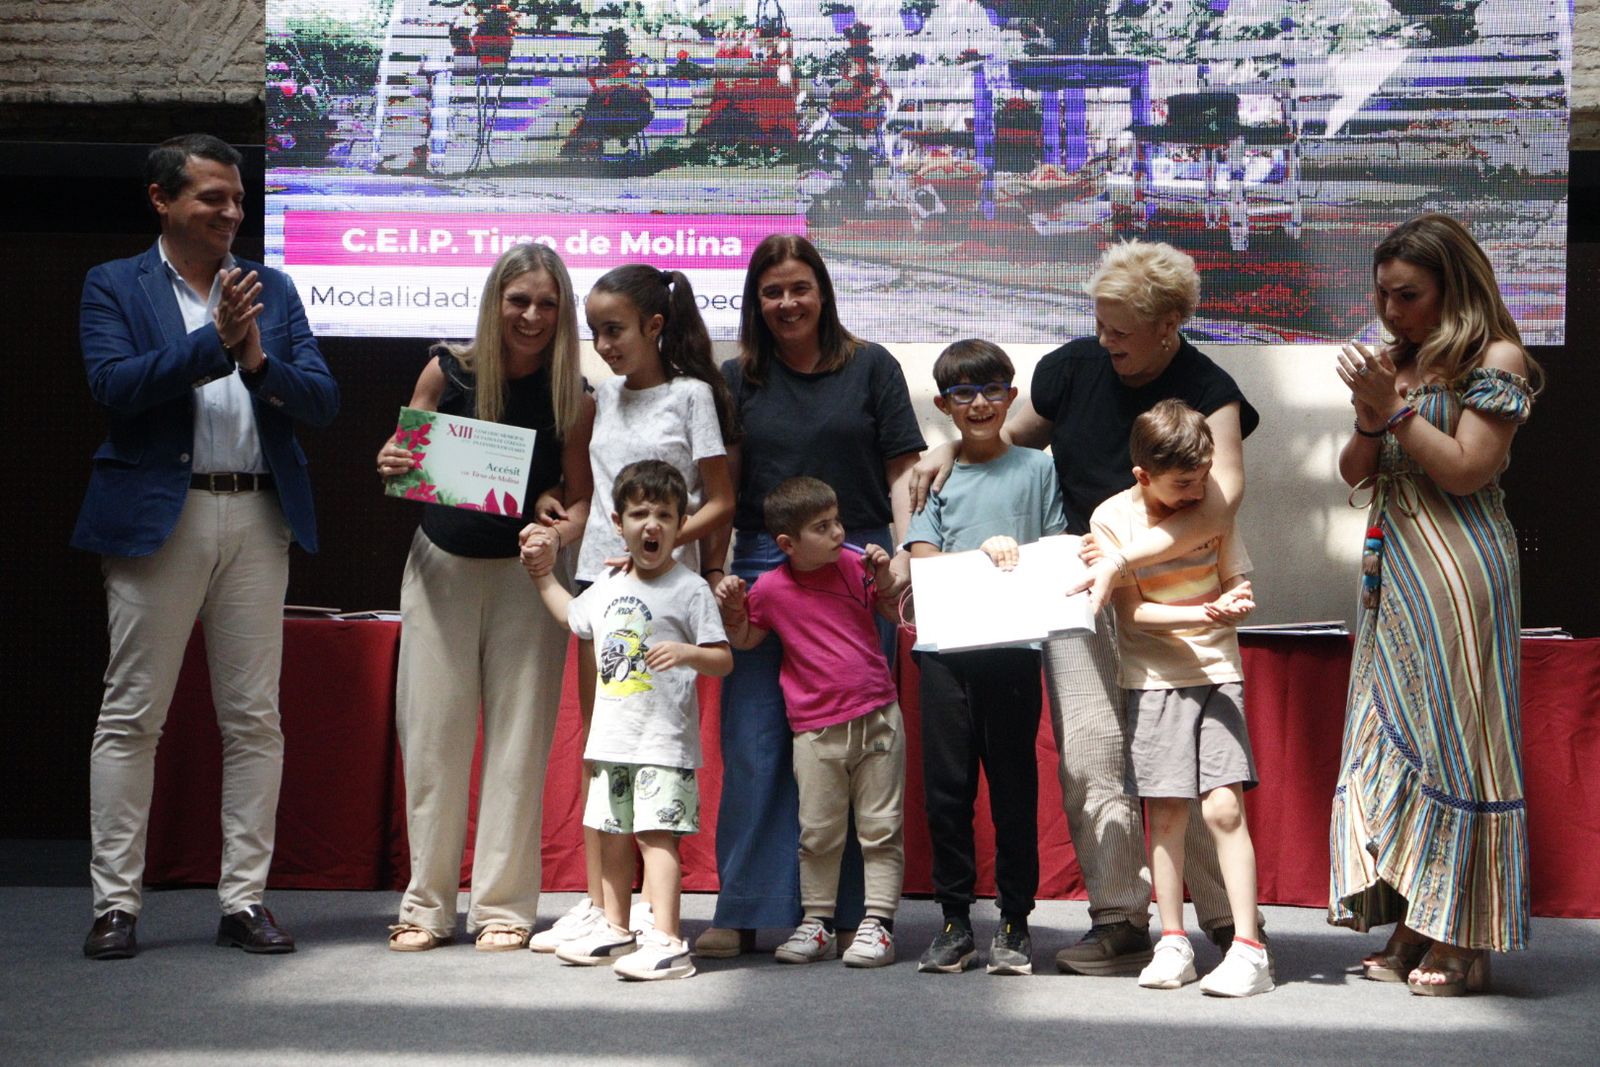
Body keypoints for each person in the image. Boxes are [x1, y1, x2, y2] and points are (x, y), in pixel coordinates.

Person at [910, 240, 1262, 976]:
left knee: (1184, 760)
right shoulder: (1071, 367)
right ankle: (1119, 917)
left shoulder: (1212, 387)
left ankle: (1227, 919)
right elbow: (999, 437)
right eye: (1099, 325)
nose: (1105, 342)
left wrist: (1130, 558)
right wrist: (948, 445)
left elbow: (1221, 504)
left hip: (1172, 590)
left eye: (1120, 331)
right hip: (1075, 580)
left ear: (1169, 322)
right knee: (1092, 752)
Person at [76, 133, 339, 960]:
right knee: (132, 716)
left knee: (254, 719)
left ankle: (243, 901)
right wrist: (211, 345)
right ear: (163, 200)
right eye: (211, 198)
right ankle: (116, 904)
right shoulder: (113, 283)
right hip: (161, 518)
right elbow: (113, 386)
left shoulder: (274, 287)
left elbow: (323, 400)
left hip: (259, 518)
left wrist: (257, 359)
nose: (232, 212)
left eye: (237, 198)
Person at [696, 234, 925, 957]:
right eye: (772, 291)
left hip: (857, 566)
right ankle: (744, 907)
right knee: (758, 741)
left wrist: (906, 555)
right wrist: (714, 570)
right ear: (755, 302)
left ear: (822, 290)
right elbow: (722, 487)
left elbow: (902, 469)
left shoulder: (873, 367)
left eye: (799, 287)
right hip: (767, 568)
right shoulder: (736, 378)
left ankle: (858, 913)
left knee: (858, 747)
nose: (787, 302)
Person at [1330, 213, 1540, 997]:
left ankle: (1466, 933)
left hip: (1462, 572)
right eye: (1382, 294)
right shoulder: (1396, 364)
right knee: (1395, 731)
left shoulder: (1497, 358)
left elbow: (1466, 470)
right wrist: (1368, 411)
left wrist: (1394, 409)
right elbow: (1354, 472)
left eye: (1407, 294)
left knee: (1460, 739)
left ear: (1452, 287)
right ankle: (1417, 914)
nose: (1390, 310)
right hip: (1394, 572)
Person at [376, 242, 593, 952]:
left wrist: (560, 534)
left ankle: (503, 906)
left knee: (519, 745)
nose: (531, 315)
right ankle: (425, 906)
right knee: (433, 742)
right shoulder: (447, 367)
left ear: (563, 312)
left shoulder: (574, 395)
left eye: (547, 303)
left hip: (526, 582)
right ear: (495, 301)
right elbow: (402, 459)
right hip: (439, 566)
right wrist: (392, 460)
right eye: (519, 300)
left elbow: (579, 498)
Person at [524, 264, 736, 954]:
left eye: (614, 329)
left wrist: (668, 548)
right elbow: (587, 502)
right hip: (598, 586)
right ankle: (598, 904)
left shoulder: (692, 395)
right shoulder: (597, 400)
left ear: (654, 325)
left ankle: (654, 909)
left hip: (663, 591)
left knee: (656, 747)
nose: (604, 344)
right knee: (602, 749)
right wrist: (559, 520)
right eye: (595, 333)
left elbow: (721, 501)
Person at [525, 461, 732, 980]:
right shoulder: (609, 584)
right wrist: (540, 575)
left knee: (656, 837)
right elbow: (573, 617)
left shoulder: (690, 590)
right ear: (618, 523)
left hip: (663, 744)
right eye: (639, 513)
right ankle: (617, 930)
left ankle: (667, 939)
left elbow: (723, 658)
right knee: (612, 832)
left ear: (680, 524)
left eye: (665, 514)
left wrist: (687, 652)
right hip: (611, 742)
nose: (652, 524)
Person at [1091, 399, 1270, 997]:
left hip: (1218, 671)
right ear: (1142, 476)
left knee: (1223, 807)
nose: (1196, 494)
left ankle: (1249, 948)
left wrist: (1237, 598)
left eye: (1201, 478)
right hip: (1152, 679)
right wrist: (1205, 612)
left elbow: (1235, 576)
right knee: (1165, 811)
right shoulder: (1112, 519)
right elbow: (1134, 613)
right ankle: (1174, 941)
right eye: (1181, 486)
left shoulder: (1212, 504)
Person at [904, 340, 1067, 976]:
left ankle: (1015, 922)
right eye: (964, 394)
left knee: (1014, 789)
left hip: (1013, 650)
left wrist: (1017, 557)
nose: (979, 404)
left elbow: (1054, 550)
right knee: (947, 792)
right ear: (943, 404)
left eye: (992, 390)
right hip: (944, 652)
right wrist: (981, 559)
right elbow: (920, 559)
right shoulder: (935, 472)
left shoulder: (1038, 468)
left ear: (1012, 396)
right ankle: (952, 921)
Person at [715, 477, 908, 968]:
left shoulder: (855, 566)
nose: (839, 532)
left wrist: (885, 577)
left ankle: (879, 924)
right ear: (787, 544)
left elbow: (894, 611)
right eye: (822, 527)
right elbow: (746, 640)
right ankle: (817, 922)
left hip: (879, 720)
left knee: (881, 828)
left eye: (837, 520)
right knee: (817, 833)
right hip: (816, 731)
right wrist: (734, 610)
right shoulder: (772, 588)